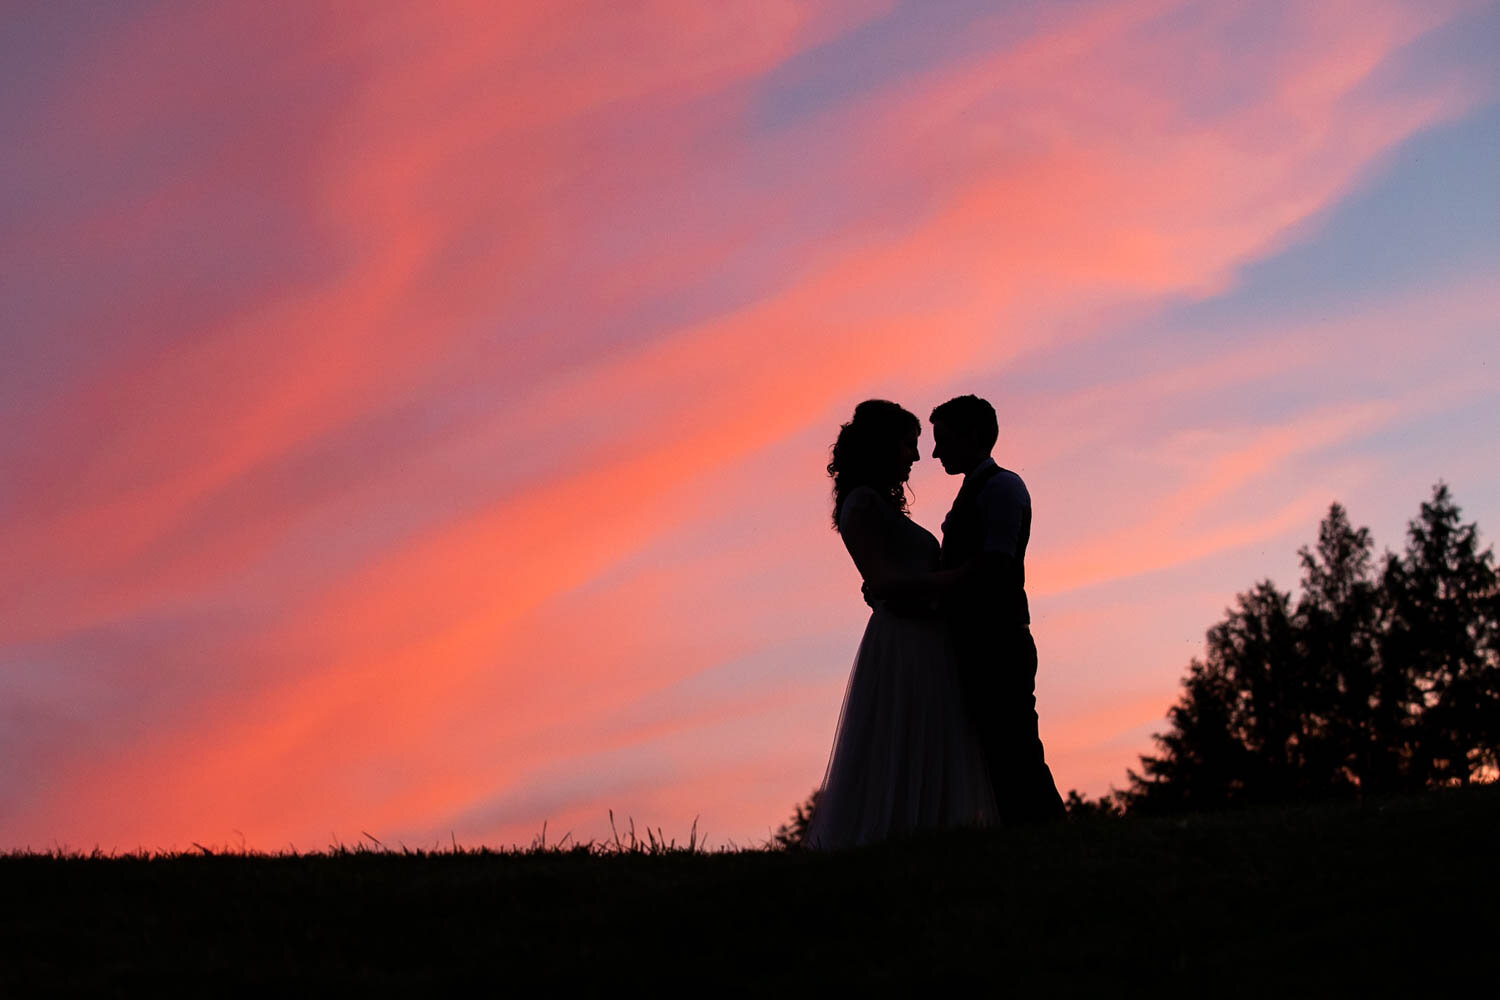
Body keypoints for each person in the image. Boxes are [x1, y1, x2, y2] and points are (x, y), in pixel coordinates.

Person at [804, 400, 998, 850]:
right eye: (909, 445)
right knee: (905, 736)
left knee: (929, 738)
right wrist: (966, 576)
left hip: (926, 637)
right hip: (904, 643)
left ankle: (934, 833)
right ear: (882, 447)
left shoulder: (878, 505)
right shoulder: (862, 504)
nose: (916, 456)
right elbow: (884, 580)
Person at [928, 394, 1065, 824]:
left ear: (973, 436)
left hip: (999, 639)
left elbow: (994, 566)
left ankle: (1046, 828)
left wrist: (922, 586)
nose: (935, 451)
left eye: (944, 439)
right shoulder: (975, 491)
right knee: (994, 746)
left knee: (1015, 746)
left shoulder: (1003, 487)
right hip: (976, 639)